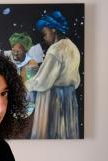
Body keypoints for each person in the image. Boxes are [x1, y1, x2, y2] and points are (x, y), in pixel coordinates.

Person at [25, 11, 81, 139]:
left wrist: (26, 84)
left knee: (49, 133)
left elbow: (43, 82)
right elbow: (76, 80)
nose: (44, 38)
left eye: (45, 33)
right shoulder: (72, 47)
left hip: (52, 98)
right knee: (65, 133)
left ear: (54, 30)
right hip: (69, 97)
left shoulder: (55, 49)